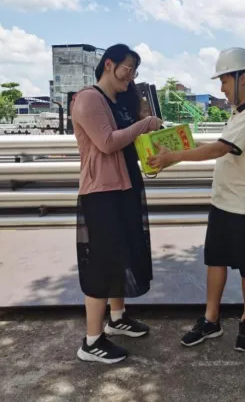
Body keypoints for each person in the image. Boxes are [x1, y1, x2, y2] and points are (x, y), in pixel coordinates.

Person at [148, 47, 245, 352]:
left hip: (244, 204)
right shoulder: (239, 112)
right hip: (223, 201)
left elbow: (220, 149)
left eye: (225, 80)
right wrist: (179, 145)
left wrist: (175, 157)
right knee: (215, 260)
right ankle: (211, 319)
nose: (222, 88)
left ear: (243, 78)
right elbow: (218, 143)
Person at [70, 43, 162, 364]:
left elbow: (132, 143)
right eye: (128, 69)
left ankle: (117, 317)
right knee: (102, 262)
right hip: (102, 192)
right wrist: (144, 125)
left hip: (126, 186)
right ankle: (92, 341)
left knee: (122, 255)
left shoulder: (121, 102)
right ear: (109, 64)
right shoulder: (88, 99)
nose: (131, 76)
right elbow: (107, 143)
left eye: (135, 71)